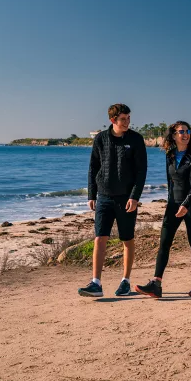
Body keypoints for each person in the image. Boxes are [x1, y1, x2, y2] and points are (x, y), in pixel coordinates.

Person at [78, 103, 147, 298]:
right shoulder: (101, 139)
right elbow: (93, 167)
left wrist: (135, 197)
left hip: (126, 199)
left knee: (127, 239)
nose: (127, 122)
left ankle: (125, 281)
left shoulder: (136, 139)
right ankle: (96, 283)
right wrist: (92, 194)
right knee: (100, 238)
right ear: (113, 120)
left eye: (128, 118)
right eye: (123, 119)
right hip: (104, 197)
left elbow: (141, 171)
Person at [135, 121, 191, 298]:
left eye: (187, 131)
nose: (185, 134)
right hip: (173, 204)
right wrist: (171, 203)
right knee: (164, 243)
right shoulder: (170, 155)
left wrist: (186, 205)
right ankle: (156, 284)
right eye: (181, 131)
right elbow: (171, 183)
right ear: (173, 135)